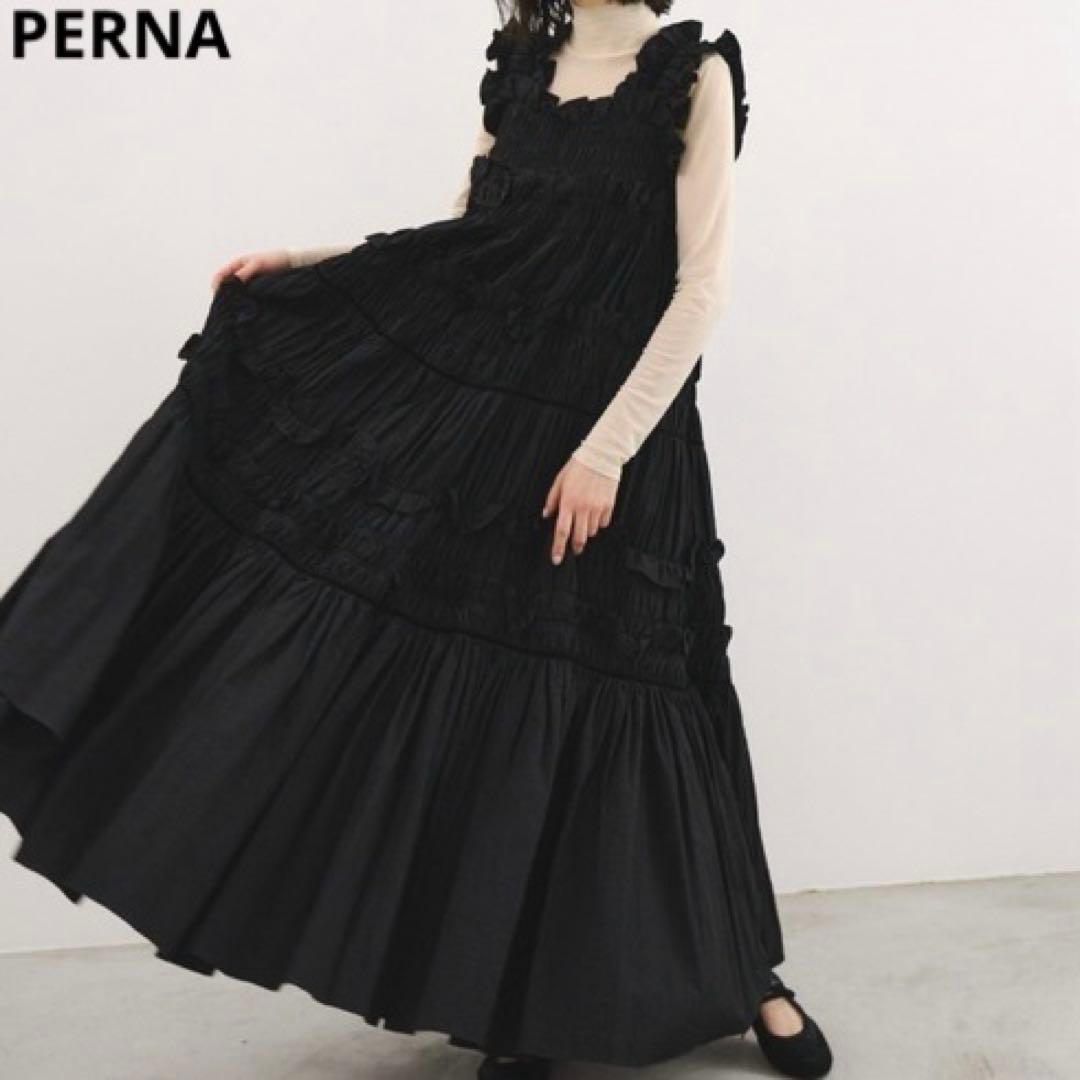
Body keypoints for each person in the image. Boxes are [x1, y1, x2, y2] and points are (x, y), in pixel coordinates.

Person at [0, 1, 833, 1077]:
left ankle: (752, 975)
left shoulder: (693, 75)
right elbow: (466, 239)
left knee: (652, 699)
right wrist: (302, 260)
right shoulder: (524, 64)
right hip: (497, 428)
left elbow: (701, 287)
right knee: (500, 717)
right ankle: (515, 1010)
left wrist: (607, 451)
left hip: (616, 437)